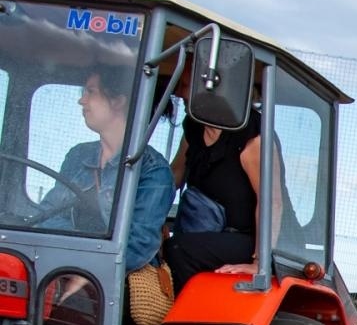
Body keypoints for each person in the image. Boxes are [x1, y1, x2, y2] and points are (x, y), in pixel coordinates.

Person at [37, 67, 175, 273]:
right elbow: (47, 216)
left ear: (118, 100)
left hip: (115, 277)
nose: (81, 100)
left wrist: (87, 271)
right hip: (64, 267)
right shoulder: (78, 155)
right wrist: (74, 260)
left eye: (90, 91)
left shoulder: (153, 171)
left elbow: (138, 245)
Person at [164, 70, 277, 293]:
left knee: (179, 250)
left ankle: (192, 322)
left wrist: (259, 263)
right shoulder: (194, 127)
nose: (179, 92)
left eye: (185, 84)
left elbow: (271, 202)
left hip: (250, 240)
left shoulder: (252, 137)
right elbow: (175, 174)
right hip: (207, 230)